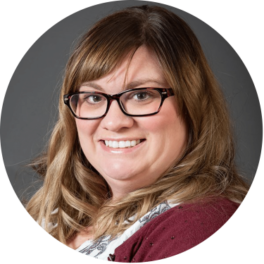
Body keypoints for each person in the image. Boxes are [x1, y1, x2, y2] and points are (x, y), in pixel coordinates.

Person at [25, 5, 250, 262]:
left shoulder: (199, 227)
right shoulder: (55, 215)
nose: (114, 121)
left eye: (141, 95)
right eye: (94, 97)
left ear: (192, 106)